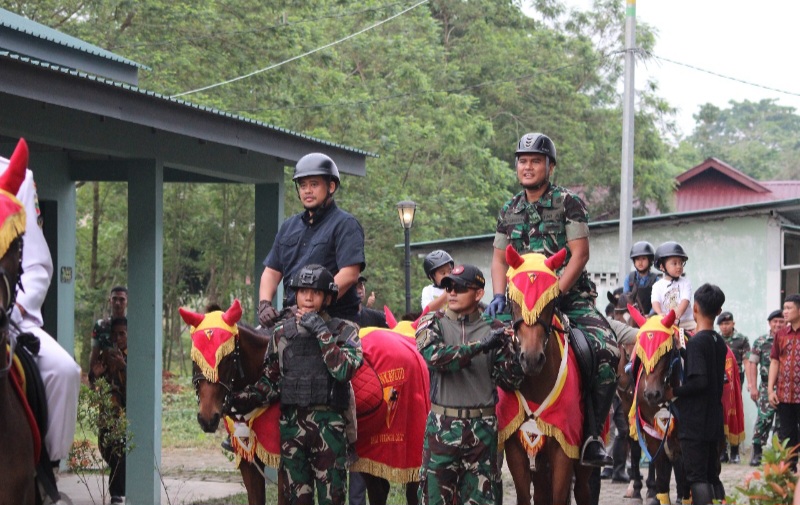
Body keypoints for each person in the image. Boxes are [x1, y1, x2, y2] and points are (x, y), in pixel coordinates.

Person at [487, 132, 619, 466]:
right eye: (522, 161)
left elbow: (580, 254)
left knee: (606, 352)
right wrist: (499, 296)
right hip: (519, 303)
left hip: (567, 297)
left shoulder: (569, 203)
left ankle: (591, 436)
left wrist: (554, 292)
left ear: (550, 166)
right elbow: (499, 259)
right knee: (480, 349)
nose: (527, 167)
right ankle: (485, 435)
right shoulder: (508, 209)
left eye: (535, 161)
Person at [233, 264, 363, 505]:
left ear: (327, 297)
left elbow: (343, 370)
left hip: (330, 429)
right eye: (303, 291)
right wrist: (241, 398)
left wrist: (321, 332)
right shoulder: (281, 333)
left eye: (315, 292)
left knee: (332, 499)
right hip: (292, 429)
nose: (308, 297)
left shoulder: (345, 331)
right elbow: (271, 382)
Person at [0, 140, 81, 465]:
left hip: (9, 313)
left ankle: (46, 474)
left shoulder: (14, 174)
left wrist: (13, 310)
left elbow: (37, 265)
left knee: (65, 373)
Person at [415, 264, 523, 505]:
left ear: (478, 294)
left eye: (460, 287)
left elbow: (511, 380)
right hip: (442, 428)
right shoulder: (432, 323)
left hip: (481, 431)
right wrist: (481, 346)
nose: (451, 292)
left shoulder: (495, 330)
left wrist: (517, 346)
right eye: (448, 286)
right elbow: (436, 357)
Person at [258, 153, 365, 326]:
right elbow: (271, 272)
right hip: (291, 318)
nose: (307, 190)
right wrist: (264, 305)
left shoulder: (346, 224)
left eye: (314, 184)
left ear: (331, 186)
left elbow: (350, 273)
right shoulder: (288, 227)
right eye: (302, 185)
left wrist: (315, 303)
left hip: (335, 321)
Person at [671, 283, 728, 505]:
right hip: (713, 420)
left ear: (694, 308)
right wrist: (683, 349)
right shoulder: (718, 341)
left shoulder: (697, 342)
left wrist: (672, 392)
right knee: (712, 475)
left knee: (697, 477)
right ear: (718, 312)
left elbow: (700, 381)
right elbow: (706, 368)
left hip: (695, 423)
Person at [88, 317, 128, 504]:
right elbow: (95, 387)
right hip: (106, 418)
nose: (118, 338)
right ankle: (119, 491)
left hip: (125, 419)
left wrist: (124, 368)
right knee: (110, 453)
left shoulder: (133, 357)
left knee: (121, 454)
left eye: (122, 334)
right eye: (115, 334)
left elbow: (137, 392)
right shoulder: (104, 357)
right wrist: (93, 376)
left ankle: (116, 495)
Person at [745, 309, 784, 466]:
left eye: (781, 321)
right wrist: (753, 386)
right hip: (765, 385)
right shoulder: (761, 341)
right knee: (764, 418)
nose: (778, 324)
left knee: (783, 422)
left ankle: (779, 455)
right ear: (770, 323)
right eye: (775, 321)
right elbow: (752, 363)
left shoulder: (788, 339)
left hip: (785, 386)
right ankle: (757, 453)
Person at [768, 293, 800, 471]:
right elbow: (775, 361)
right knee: (787, 436)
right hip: (784, 394)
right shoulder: (780, 334)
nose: (785, 312)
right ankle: (789, 472)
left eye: (789, 308)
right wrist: (770, 390)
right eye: (784, 308)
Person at [715, 311, 750, 464]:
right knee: (720, 414)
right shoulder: (715, 339)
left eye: (727, 323)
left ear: (733, 324)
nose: (724, 326)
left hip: (735, 382)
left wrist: (750, 383)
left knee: (733, 413)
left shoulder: (741, 340)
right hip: (717, 383)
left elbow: (747, 361)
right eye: (722, 324)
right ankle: (722, 451)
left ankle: (735, 452)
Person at [651, 241, 696, 331]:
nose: (679, 266)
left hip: (686, 322)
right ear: (662, 267)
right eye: (674, 263)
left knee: (700, 333)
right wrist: (660, 313)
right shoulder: (657, 285)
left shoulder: (685, 283)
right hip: (666, 323)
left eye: (681, 263)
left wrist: (677, 314)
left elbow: (685, 300)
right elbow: (655, 302)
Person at [90, 286, 129, 373]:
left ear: (127, 302)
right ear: (110, 300)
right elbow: (95, 353)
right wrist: (92, 375)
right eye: (114, 299)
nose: (117, 303)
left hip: (128, 377)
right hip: (106, 376)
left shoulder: (133, 326)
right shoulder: (101, 325)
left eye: (122, 299)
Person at [622, 241, 660, 314]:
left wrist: (649, 316)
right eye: (637, 259)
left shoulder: (656, 280)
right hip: (633, 316)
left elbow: (657, 301)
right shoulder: (629, 278)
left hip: (651, 317)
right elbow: (626, 300)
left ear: (650, 260)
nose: (640, 262)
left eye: (643, 258)